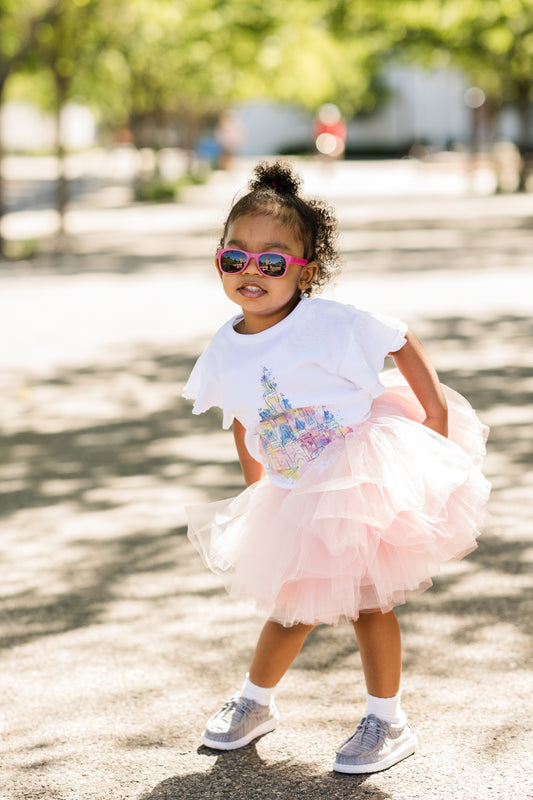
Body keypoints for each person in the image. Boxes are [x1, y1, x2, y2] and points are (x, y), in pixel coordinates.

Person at [182, 161, 490, 774]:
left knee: (371, 602)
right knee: (291, 603)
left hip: (360, 477)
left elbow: (398, 338)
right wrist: (257, 490)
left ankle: (387, 718)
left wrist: (434, 415)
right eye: (235, 258)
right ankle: (255, 701)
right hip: (296, 489)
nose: (253, 272)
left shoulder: (329, 322)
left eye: (273, 262)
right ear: (218, 260)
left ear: (306, 271)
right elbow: (246, 418)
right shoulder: (224, 346)